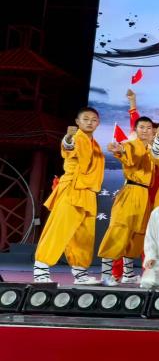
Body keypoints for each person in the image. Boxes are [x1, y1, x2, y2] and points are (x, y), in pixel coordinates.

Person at [33, 107, 105, 284]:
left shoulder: (94, 143)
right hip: (73, 189)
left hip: (88, 192)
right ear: (77, 122)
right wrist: (68, 138)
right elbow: (68, 147)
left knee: (83, 235)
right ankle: (41, 270)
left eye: (94, 120)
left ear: (98, 123)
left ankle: (80, 274)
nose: (90, 122)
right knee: (59, 229)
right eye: (86, 119)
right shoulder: (77, 137)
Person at [98, 115, 158, 286]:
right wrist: (120, 149)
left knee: (137, 234)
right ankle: (106, 275)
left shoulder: (150, 149)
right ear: (135, 130)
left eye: (148, 128)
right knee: (120, 230)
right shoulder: (131, 144)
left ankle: (128, 274)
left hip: (144, 194)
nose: (145, 131)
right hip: (131, 191)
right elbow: (126, 152)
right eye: (142, 127)